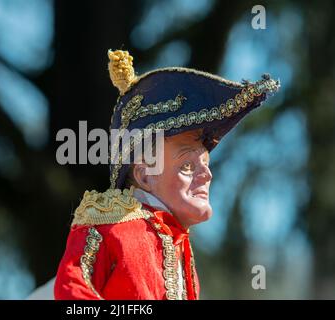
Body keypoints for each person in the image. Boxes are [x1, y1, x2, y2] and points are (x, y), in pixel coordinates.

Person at [53, 49, 280, 300]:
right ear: (145, 175)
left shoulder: (179, 244)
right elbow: (71, 295)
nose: (207, 175)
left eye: (206, 163)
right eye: (187, 165)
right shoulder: (109, 227)